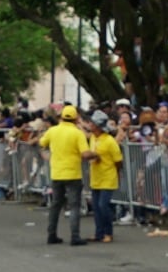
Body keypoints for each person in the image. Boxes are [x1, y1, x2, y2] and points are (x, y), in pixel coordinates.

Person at [39, 105, 89, 246]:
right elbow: (84, 152)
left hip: (57, 173)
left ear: (61, 117)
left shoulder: (52, 131)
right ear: (76, 118)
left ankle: (51, 234)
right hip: (73, 173)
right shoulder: (77, 133)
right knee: (74, 206)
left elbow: (42, 142)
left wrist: (46, 152)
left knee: (56, 205)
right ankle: (75, 236)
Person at [82, 111, 122, 243]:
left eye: (92, 123)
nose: (90, 125)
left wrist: (116, 173)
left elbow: (118, 161)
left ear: (98, 126)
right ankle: (98, 233)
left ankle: (108, 232)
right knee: (96, 206)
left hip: (107, 177)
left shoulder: (110, 141)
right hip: (96, 177)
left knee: (103, 205)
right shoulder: (93, 138)